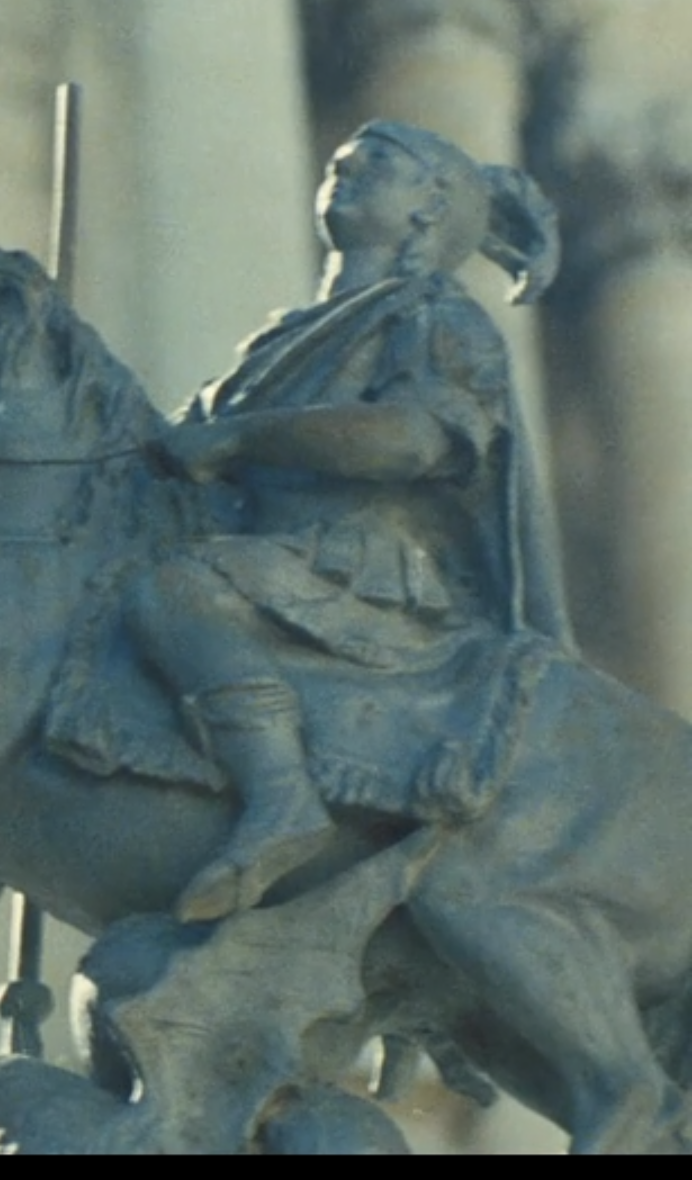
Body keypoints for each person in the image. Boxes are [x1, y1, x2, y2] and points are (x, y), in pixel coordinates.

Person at [125, 120, 568, 925]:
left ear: (431, 207)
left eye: (379, 163)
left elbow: (418, 439)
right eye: (343, 159)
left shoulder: (437, 318)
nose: (347, 166)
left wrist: (242, 438)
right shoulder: (280, 337)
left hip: (360, 570)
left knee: (176, 589)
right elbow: (177, 449)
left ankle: (282, 797)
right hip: (267, 554)